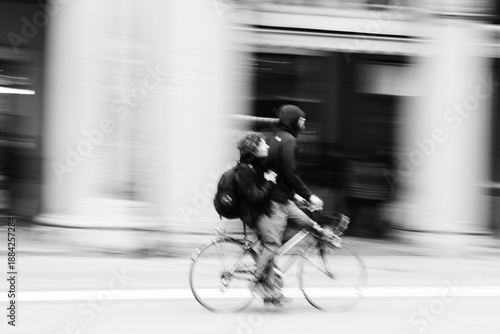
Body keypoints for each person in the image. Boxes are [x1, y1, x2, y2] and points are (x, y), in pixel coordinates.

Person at [262, 104, 329, 297]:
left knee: (309, 224)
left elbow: (280, 173)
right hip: (277, 203)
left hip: (283, 199)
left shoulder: (275, 137)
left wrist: (296, 196)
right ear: (293, 120)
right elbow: (291, 173)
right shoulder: (289, 141)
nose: (304, 121)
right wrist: (309, 195)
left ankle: (272, 278)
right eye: (301, 118)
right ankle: (267, 287)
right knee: (272, 244)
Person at [233, 132, 284, 304]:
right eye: (264, 144)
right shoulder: (245, 170)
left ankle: (271, 292)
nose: (268, 146)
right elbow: (255, 198)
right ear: (255, 148)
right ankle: (258, 280)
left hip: (258, 211)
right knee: (273, 242)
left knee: (267, 247)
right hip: (253, 214)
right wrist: (269, 182)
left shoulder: (255, 165)